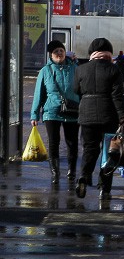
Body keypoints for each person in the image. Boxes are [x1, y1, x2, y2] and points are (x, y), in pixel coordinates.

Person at [73, 38, 124, 200]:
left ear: (92, 52)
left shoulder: (81, 69)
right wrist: (123, 116)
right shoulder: (114, 70)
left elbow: (75, 89)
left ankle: (84, 176)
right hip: (108, 116)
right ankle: (104, 188)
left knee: (89, 148)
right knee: (109, 152)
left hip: (86, 115)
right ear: (109, 53)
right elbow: (117, 96)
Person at [30, 40, 80, 185]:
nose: (59, 53)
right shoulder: (46, 71)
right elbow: (38, 94)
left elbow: (83, 90)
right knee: (54, 143)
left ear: (65, 52)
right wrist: (34, 114)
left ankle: (72, 172)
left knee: (72, 143)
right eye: (55, 51)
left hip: (72, 111)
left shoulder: (75, 68)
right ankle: (55, 172)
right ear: (51, 55)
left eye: (61, 50)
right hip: (51, 112)